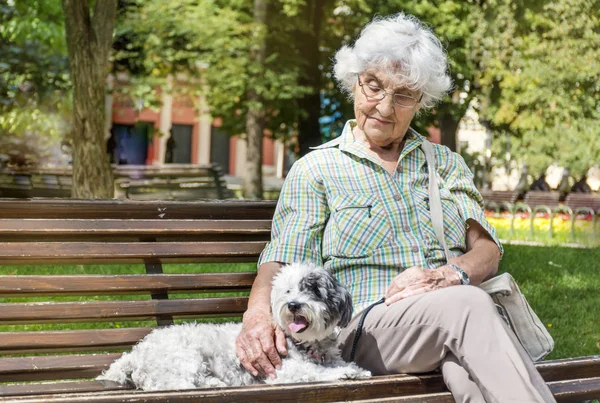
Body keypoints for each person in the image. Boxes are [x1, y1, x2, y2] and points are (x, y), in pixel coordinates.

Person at [235, 13, 555, 403]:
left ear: (421, 101)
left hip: (448, 323)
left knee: (468, 375)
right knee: (470, 306)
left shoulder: (446, 164)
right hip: (366, 328)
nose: (384, 106)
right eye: (373, 86)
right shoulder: (316, 169)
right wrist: (256, 316)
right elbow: (283, 260)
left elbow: (487, 251)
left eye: (403, 95)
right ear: (354, 82)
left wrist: (447, 275)